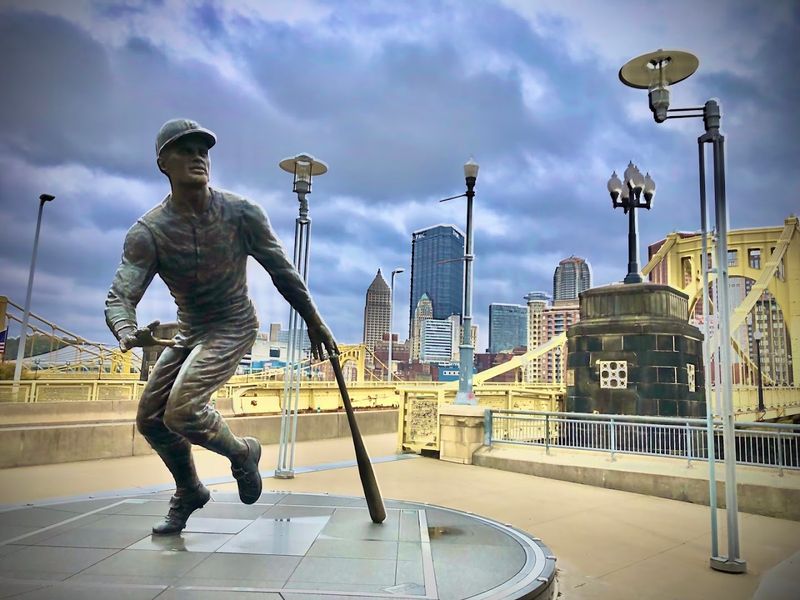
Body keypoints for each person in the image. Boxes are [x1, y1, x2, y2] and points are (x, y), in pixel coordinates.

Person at [105, 118, 337, 534]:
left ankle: (242, 452)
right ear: (163, 164)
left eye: (203, 151)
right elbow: (120, 296)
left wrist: (314, 322)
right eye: (186, 150)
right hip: (190, 330)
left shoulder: (242, 213)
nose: (199, 157)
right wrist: (126, 332)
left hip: (234, 323)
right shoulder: (149, 232)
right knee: (151, 420)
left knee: (183, 411)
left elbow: (282, 272)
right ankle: (190, 490)